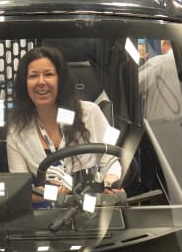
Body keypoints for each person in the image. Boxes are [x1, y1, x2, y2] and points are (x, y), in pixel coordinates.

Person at [6, 46, 121, 199]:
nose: (41, 82)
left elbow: (112, 159)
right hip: (45, 210)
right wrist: (52, 194)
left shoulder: (91, 112)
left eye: (49, 74)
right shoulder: (16, 130)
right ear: (24, 84)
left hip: (91, 205)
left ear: (60, 80)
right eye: (33, 76)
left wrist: (109, 182)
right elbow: (20, 191)